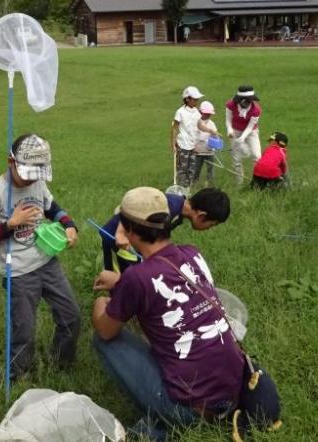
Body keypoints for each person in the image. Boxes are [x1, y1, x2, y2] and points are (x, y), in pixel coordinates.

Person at [91, 187, 259, 441]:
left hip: (191, 411)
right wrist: (122, 282)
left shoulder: (137, 278)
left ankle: (162, 421)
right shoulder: (192, 253)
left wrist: (102, 303)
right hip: (235, 392)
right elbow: (162, 284)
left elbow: (106, 329)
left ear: (130, 231)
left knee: (102, 336)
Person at [0, 134, 80, 379]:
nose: (31, 180)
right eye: (26, 173)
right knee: (24, 329)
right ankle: (18, 374)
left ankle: (60, 365)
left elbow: (53, 208)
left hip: (47, 260)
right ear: (10, 162)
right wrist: (11, 224)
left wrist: (69, 225)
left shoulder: (36, 182)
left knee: (71, 316)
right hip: (19, 271)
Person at [101, 187, 230, 273]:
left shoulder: (179, 213)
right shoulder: (170, 205)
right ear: (201, 215)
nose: (209, 229)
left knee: (134, 273)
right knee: (120, 278)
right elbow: (137, 205)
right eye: (211, 225)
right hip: (116, 240)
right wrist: (120, 233)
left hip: (134, 243)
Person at [225, 86, 262, 181]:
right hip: (235, 131)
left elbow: (250, 127)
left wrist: (243, 137)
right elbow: (228, 120)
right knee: (236, 159)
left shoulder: (256, 110)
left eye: (249, 101)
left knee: (257, 156)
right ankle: (239, 182)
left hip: (251, 132)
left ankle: (257, 180)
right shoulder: (231, 105)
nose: (247, 103)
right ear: (239, 100)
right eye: (245, 101)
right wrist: (229, 130)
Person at [171, 86, 203, 188]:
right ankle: (181, 189)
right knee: (182, 169)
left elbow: (199, 126)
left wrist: (211, 131)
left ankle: (188, 188)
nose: (197, 101)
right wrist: (173, 143)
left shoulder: (197, 112)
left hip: (193, 145)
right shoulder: (180, 112)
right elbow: (174, 128)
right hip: (183, 144)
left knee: (191, 169)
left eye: (197, 99)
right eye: (195, 99)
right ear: (187, 99)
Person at [191, 101, 220, 186]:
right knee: (196, 169)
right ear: (200, 112)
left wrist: (215, 140)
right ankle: (193, 183)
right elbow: (192, 136)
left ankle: (210, 183)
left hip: (209, 151)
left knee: (210, 169)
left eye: (209, 114)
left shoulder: (211, 124)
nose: (208, 115)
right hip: (197, 151)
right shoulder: (195, 123)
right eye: (206, 113)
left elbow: (216, 137)